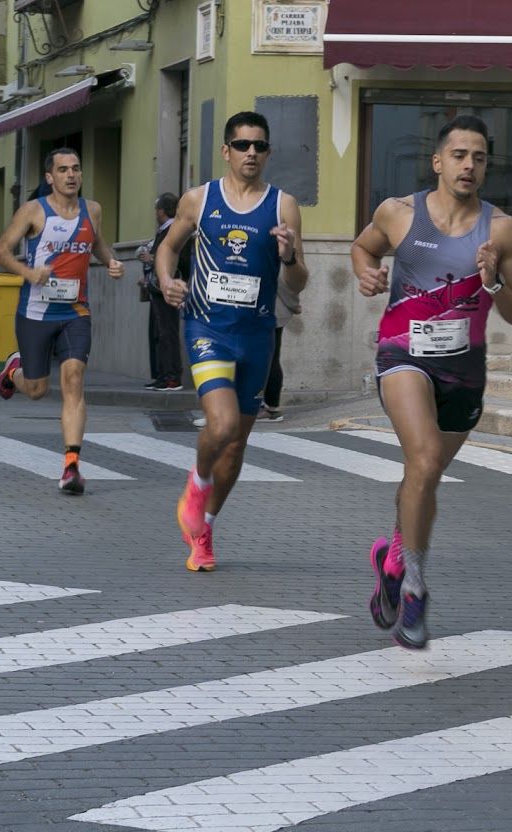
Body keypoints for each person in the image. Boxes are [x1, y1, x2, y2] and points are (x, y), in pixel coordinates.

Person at [351, 114, 512, 649]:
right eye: (459, 155)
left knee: (423, 476)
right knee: (426, 459)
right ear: (438, 161)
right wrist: (366, 270)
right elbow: (363, 247)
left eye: (479, 157)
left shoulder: (500, 229)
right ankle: (413, 586)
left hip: (464, 369)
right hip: (403, 353)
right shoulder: (399, 213)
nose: (469, 166)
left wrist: (494, 281)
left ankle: (391, 556)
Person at [157, 111, 309, 573]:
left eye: (259, 146)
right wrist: (167, 280)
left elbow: (299, 281)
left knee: (238, 445)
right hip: (208, 328)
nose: (250, 153)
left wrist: (288, 257)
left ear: (268, 153)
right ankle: (197, 482)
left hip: (258, 335)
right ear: (226, 151)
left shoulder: (284, 206)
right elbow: (169, 247)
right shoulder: (200, 200)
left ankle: (203, 529)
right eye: (242, 145)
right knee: (220, 427)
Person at [0, 148, 125, 495]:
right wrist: (28, 272)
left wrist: (111, 261)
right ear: (49, 177)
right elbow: (1, 251)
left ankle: (71, 466)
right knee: (37, 390)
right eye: (63, 169)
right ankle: (12, 372)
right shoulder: (34, 211)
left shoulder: (92, 210)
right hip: (36, 312)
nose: (71, 175)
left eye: (76, 169)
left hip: (75, 311)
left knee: (74, 379)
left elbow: (95, 242)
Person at [141, 193, 188, 391]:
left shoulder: (174, 231)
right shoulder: (166, 231)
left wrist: (152, 260)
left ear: (161, 211)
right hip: (158, 287)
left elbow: (178, 259)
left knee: (167, 332)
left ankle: (171, 377)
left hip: (167, 289)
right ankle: (162, 374)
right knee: (158, 333)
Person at [260, 273, 298, 421]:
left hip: (267, 308)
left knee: (265, 358)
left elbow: (283, 279)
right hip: (274, 309)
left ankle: (268, 406)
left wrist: (293, 304)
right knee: (273, 356)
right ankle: (272, 405)